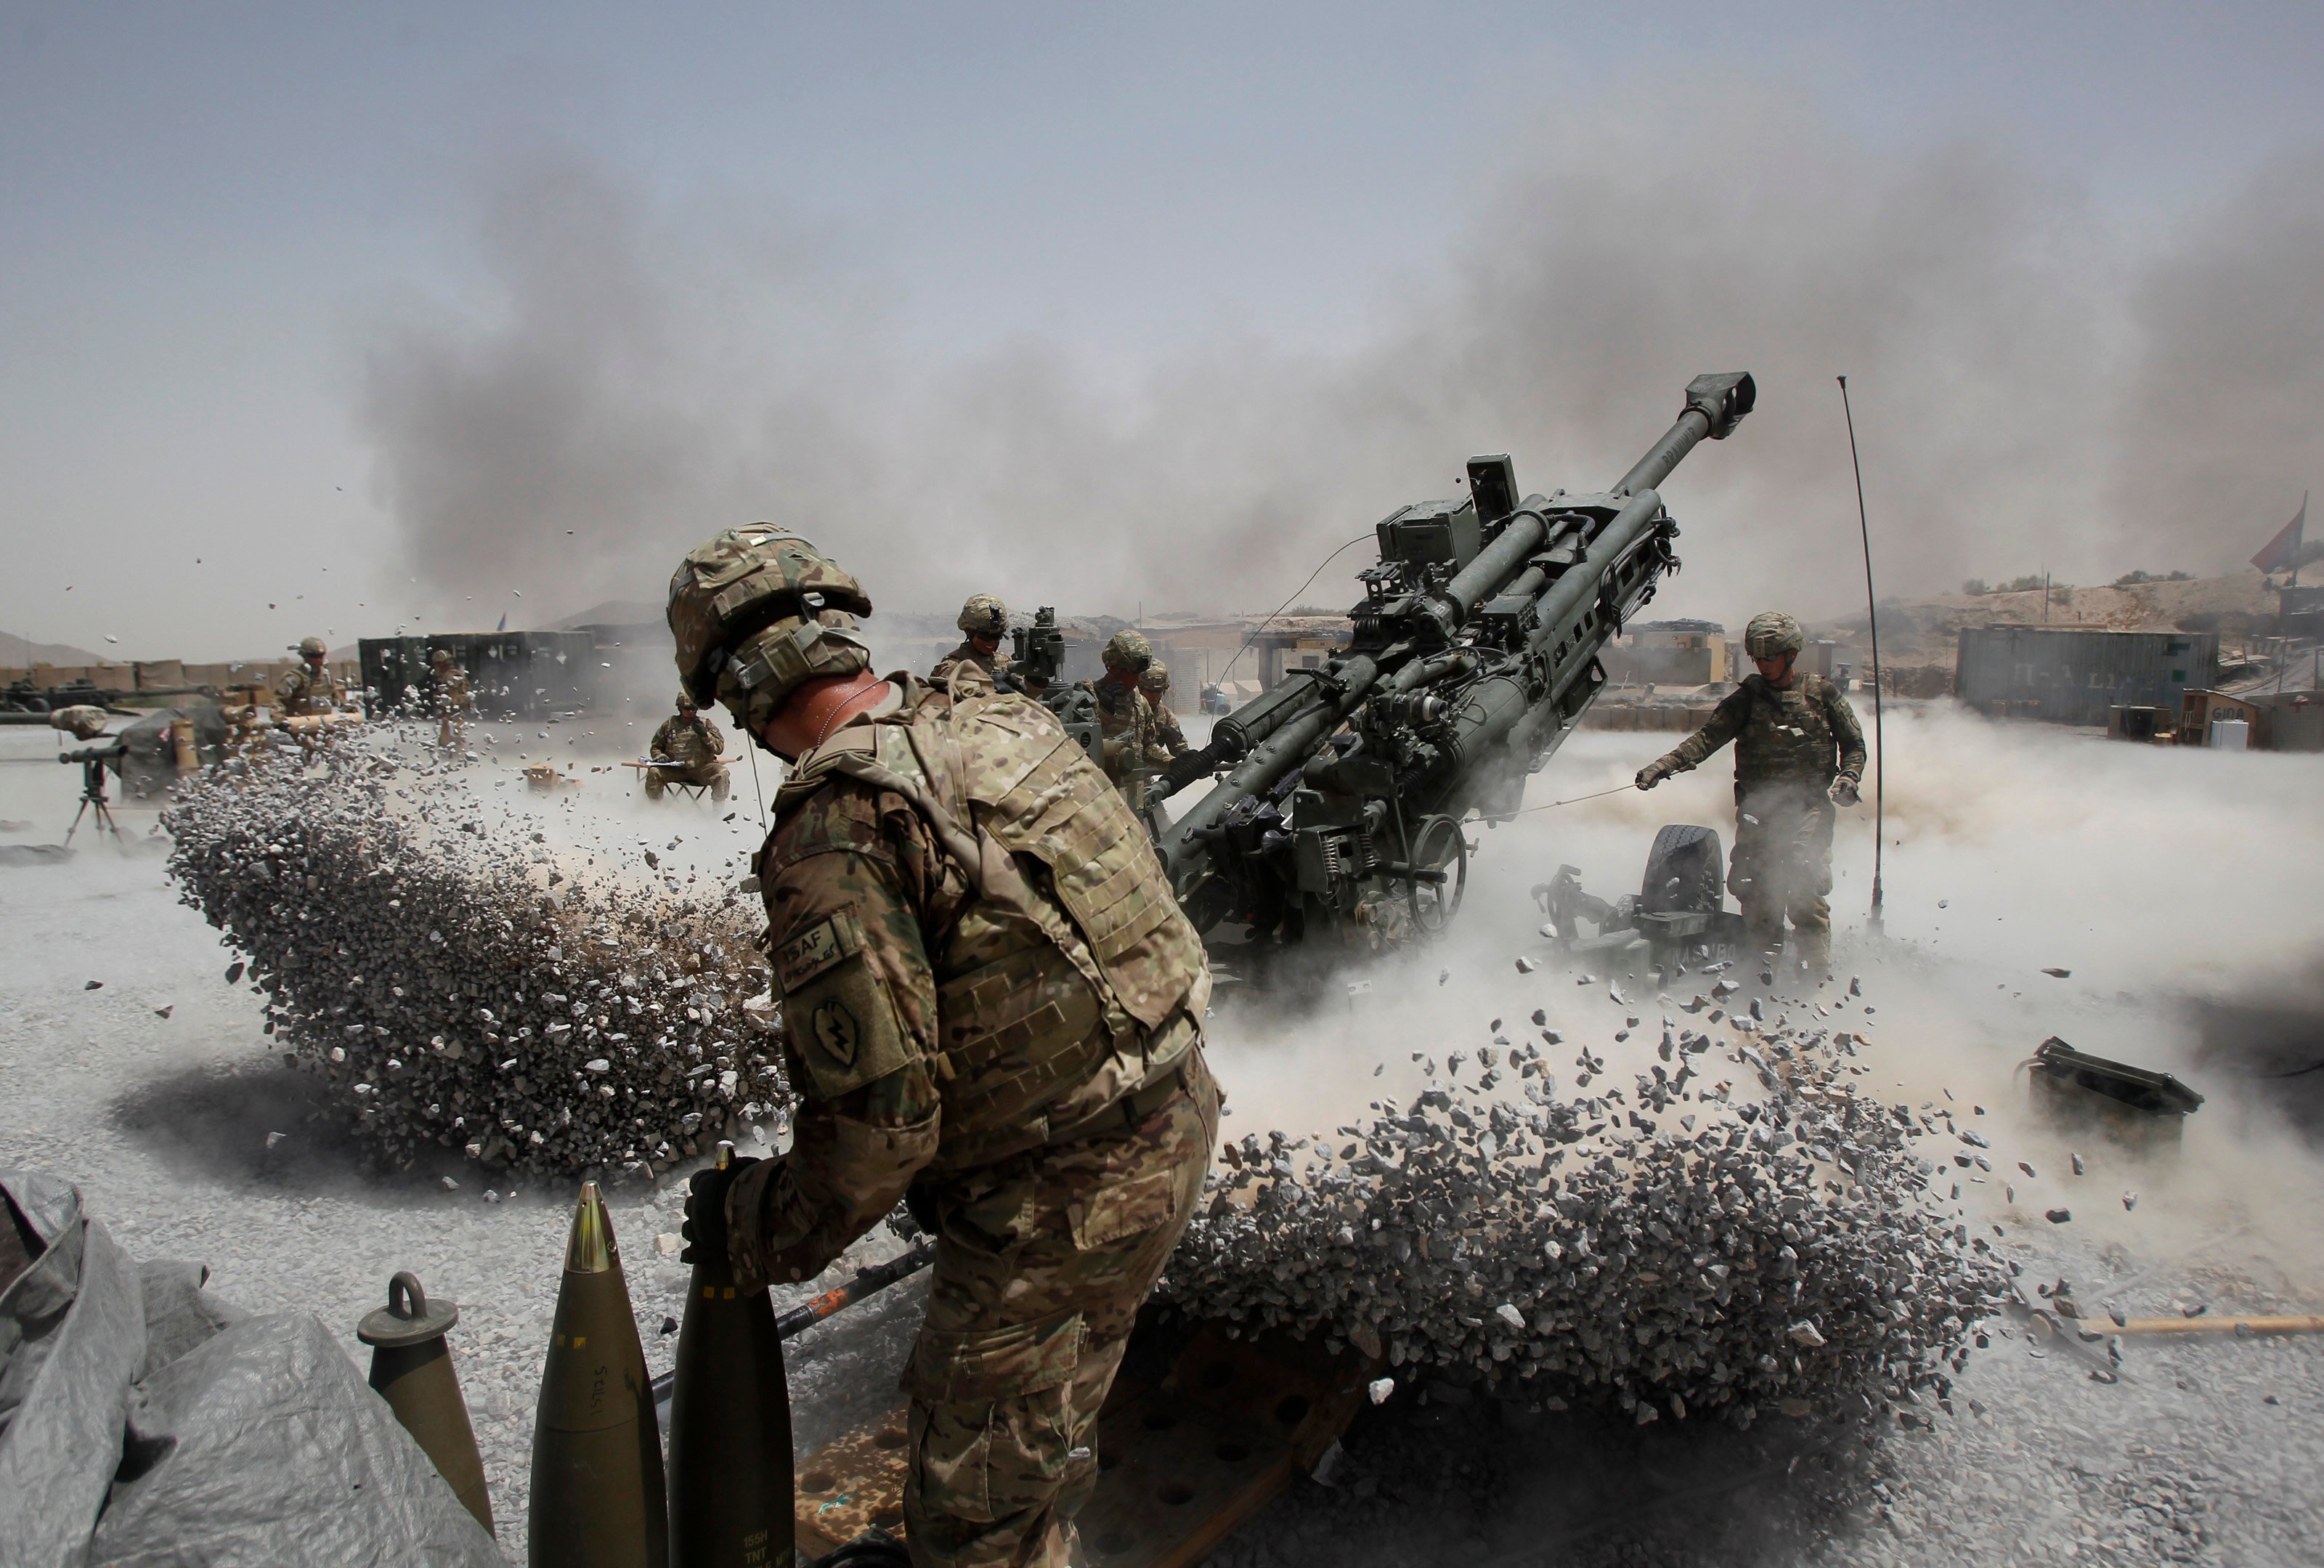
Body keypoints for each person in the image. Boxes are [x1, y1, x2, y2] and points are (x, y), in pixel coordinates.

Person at [667, 526, 1216, 1568]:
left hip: (1061, 1198)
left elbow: (880, 1134)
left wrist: (758, 1225)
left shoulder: (837, 823)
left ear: (738, 685)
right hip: (1172, 1114)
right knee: (1049, 1414)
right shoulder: (1000, 716)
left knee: (972, 1525)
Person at [1635, 611, 1865, 970]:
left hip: (1808, 811)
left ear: (1790, 654)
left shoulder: (1821, 694)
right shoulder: (1746, 700)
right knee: (1756, 893)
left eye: (1770, 656)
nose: (1763, 664)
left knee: (1804, 889)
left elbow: (1855, 745)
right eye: (1757, 657)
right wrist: (1663, 766)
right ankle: (1764, 973)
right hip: (1760, 813)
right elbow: (1707, 739)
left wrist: (1849, 777)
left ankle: (1816, 979)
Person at [1080, 630, 1166, 813]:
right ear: (1114, 667)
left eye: (1140, 673)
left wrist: (1174, 762)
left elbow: (1148, 748)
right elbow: (1079, 747)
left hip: (1134, 795)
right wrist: (1103, 710)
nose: (1136, 680)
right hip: (1098, 797)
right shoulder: (1085, 696)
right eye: (1131, 673)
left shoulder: (1139, 702)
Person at [645, 692, 731, 803]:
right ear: (680, 708)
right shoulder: (669, 725)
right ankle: (654, 808)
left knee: (722, 772)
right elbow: (655, 747)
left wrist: (705, 735)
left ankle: (717, 812)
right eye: (687, 709)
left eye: (693, 708)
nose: (691, 712)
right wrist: (660, 756)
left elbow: (719, 748)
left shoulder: (705, 724)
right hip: (675, 770)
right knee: (654, 772)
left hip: (701, 769)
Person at [928, 593, 1009, 693]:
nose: (992, 642)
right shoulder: (954, 667)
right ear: (968, 631)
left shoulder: (1004, 662)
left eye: (997, 636)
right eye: (984, 637)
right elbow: (942, 700)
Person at [272, 636, 344, 719]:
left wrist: (347, 706)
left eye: (321, 656)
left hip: (324, 725)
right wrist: (278, 719)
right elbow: (277, 700)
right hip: (300, 725)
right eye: (314, 656)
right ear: (305, 656)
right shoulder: (295, 677)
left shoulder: (325, 676)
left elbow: (334, 695)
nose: (318, 660)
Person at [1137, 659, 1190, 759]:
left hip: (1146, 771)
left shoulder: (1165, 716)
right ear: (1139, 688)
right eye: (1150, 691)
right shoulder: (1127, 709)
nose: (1155, 696)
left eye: (1159, 691)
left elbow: (1181, 750)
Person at [428, 648, 473, 748]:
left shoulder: (451, 675)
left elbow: (456, 696)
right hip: (454, 716)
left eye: (437, 664)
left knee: (450, 744)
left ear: (442, 664)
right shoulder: (453, 674)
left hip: (451, 717)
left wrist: (448, 715)